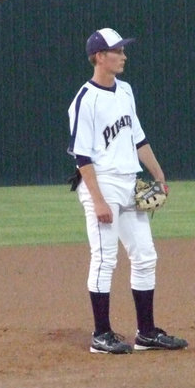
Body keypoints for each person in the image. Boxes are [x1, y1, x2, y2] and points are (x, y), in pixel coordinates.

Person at [67, 27, 188, 354]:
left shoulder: (126, 91)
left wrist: (159, 175)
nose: (123, 55)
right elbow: (81, 156)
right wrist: (98, 199)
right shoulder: (85, 100)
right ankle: (101, 334)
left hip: (129, 181)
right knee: (105, 258)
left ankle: (146, 333)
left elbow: (138, 138)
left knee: (145, 255)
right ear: (98, 56)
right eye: (116, 50)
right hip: (101, 182)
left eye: (122, 50)